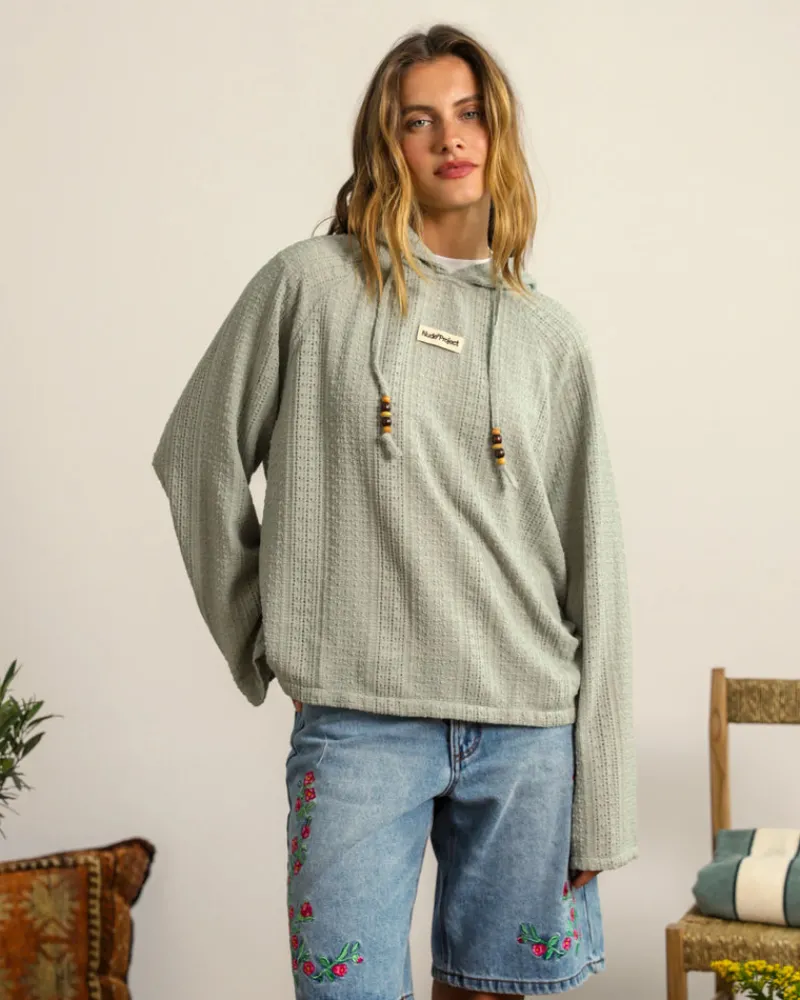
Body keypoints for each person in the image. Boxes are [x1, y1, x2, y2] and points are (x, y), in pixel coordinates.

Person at [152, 22, 636, 1000]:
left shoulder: (549, 339)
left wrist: (604, 800)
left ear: (497, 134)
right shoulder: (308, 286)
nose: (449, 137)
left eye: (469, 114)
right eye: (419, 120)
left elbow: (599, 573)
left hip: (527, 728)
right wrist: (267, 636)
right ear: (388, 145)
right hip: (360, 726)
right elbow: (195, 455)